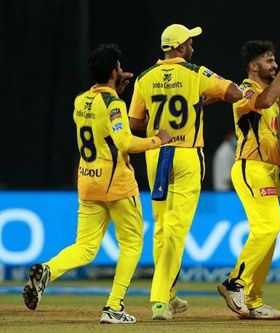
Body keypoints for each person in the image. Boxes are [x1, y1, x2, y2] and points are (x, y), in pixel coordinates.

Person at [22, 44, 171, 324]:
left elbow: (100, 127)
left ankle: (48, 270)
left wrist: (115, 90)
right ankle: (113, 306)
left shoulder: (80, 100)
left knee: (86, 246)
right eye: (118, 66)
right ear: (115, 71)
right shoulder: (114, 105)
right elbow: (124, 142)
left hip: (88, 182)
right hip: (117, 184)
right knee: (132, 245)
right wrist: (157, 140)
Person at [128, 23, 242, 320]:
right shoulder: (195, 71)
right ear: (180, 47)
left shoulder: (144, 77)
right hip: (188, 154)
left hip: (156, 154)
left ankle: (169, 294)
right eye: (190, 42)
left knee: (163, 229)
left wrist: (160, 119)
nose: (193, 46)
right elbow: (235, 93)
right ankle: (158, 299)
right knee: (177, 230)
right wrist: (203, 100)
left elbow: (135, 123)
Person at [217, 38, 280, 320]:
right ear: (253, 66)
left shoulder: (272, 92)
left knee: (270, 235)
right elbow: (263, 102)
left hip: (269, 171)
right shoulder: (245, 89)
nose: (274, 64)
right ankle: (233, 283)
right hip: (251, 167)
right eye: (269, 60)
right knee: (269, 227)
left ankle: (253, 299)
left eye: (276, 60)